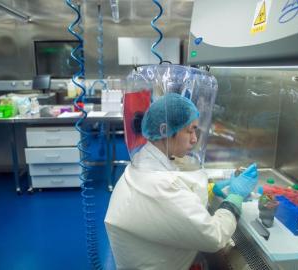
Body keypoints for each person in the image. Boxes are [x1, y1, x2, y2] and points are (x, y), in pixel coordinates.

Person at [105, 93, 258, 270]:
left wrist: (210, 188)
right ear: (164, 130)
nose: (194, 138)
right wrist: (234, 197)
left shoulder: (146, 159)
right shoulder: (161, 186)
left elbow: (175, 190)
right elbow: (214, 236)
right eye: (190, 130)